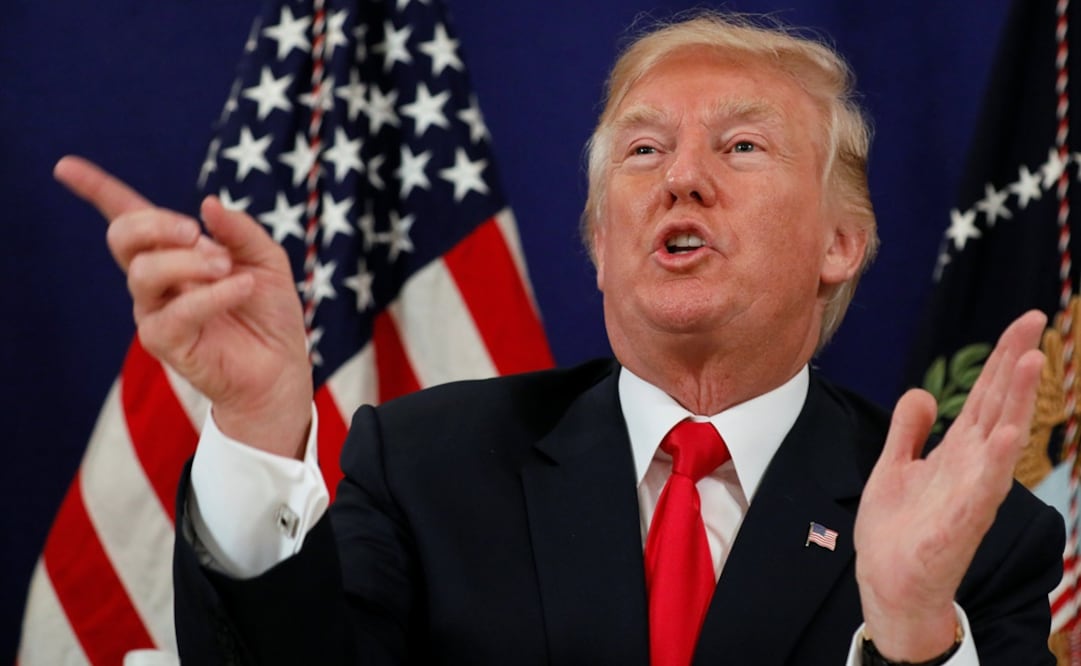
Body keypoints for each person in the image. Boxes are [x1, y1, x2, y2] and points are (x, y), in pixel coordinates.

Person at [55, 11, 1063, 666]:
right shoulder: (422, 466)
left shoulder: (979, 529)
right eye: (642, 150)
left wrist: (917, 635)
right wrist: (256, 421)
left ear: (840, 244)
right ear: (597, 239)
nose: (681, 178)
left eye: (742, 146)